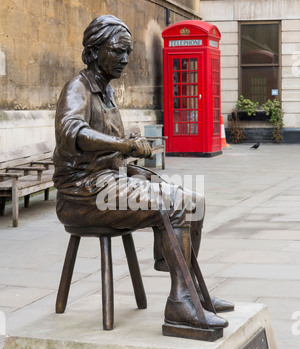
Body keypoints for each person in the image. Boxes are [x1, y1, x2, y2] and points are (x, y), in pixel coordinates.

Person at [53, 15, 233, 332]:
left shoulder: (106, 91)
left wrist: (128, 155)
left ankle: (191, 290)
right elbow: (73, 134)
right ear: (95, 51)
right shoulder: (76, 89)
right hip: (82, 195)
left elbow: (108, 152)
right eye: (118, 51)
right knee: (172, 205)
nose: (125, 60)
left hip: (109, 183)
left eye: (128, 53)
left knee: (194, 202)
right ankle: (180, 304)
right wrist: (123, 143)